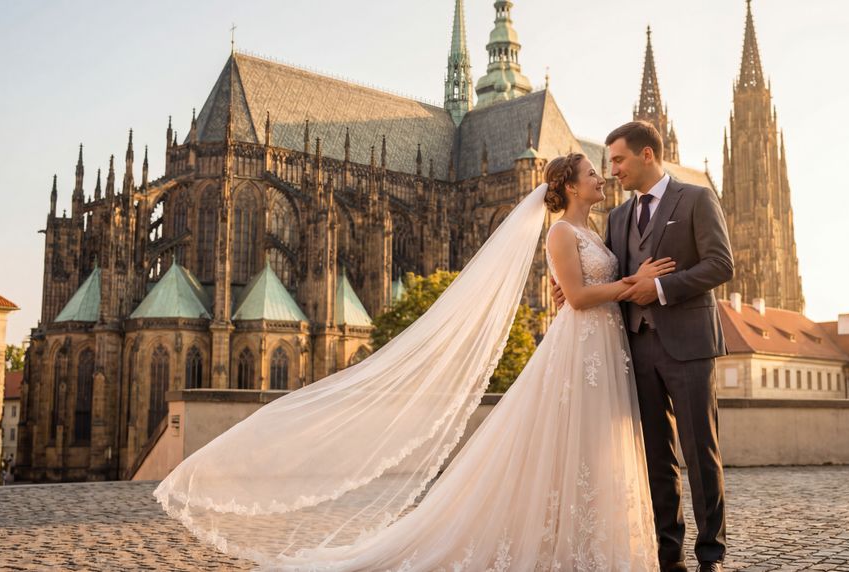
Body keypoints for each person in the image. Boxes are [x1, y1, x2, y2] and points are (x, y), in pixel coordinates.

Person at [155, 153, 675, 570]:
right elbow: (579, 294)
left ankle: (583, 539)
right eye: (592, 173)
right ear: (569, 185)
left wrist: (589, 289)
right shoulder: (560, 232)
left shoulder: (598, 232)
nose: (602, 178)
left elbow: (574, 289)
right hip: (583, 345)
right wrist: (635, 283)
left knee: (586, 448)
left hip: (600, 348)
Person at [555, 121, 733, 572]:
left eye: (618, 160)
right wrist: (567, 288)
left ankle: (710, 555)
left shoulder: (695, 198)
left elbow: (720, 264)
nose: (611, 169)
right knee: (656, 458)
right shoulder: (617, 217)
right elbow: (608, 273)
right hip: (635, 348)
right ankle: (668, 556)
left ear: (647, 154)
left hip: (689, 344)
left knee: (700, 453)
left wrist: (662, 288)